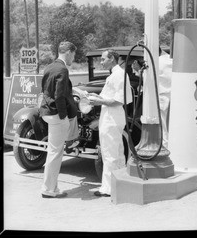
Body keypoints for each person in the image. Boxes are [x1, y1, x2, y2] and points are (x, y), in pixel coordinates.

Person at [89, 49, 133, 197]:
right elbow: (108, 96)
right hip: (111, 116)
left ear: (112, 59)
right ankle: (119, 183)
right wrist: (93, 96)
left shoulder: (118, 75)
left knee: (110, 153)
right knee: (117, 152)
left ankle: (108, 188)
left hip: (111, 117)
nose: (101, 62)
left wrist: (98, 101)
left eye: (103, 59)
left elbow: (118, 100)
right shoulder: (115, 75)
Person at [39, 41, 79, 198]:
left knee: (53, 151)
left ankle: (52, 187)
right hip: (56, 114)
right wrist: (64, 117)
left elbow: (46, 90)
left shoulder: (49, 67)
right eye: (74, 55)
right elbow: (59, 96)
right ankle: (48, 189)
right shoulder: (62, 69)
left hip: (47, 112)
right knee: (55, 153)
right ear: (68, 52)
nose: (73, 58)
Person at [131, 46, 172, 149]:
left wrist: (138, 71)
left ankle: (164, 149)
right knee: (170, 126)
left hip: (161, 97)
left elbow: (147, 79)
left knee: (162, 128)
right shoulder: (170, 60)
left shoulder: (156, 63)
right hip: (171, 96)